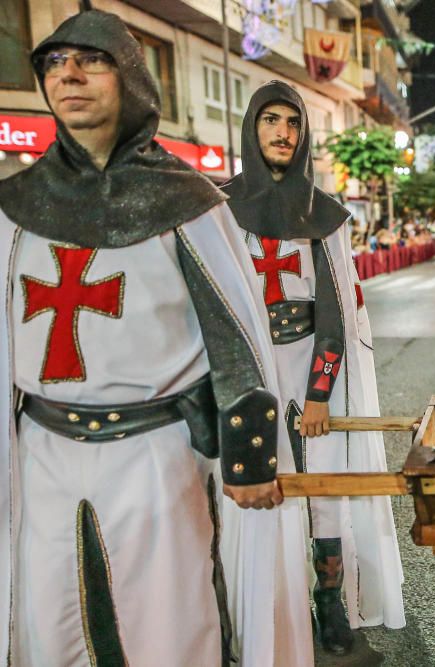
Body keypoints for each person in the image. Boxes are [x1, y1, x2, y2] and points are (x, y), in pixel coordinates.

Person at [0, 9, 305, 664]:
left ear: (132, 80)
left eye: (92, 61)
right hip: (41, 452)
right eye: (55, 63)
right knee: (48, 624)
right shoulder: (15, 205)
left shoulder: (186, 200)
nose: (69, 75)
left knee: (170, 625)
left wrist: (250, 456)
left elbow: (235, 333)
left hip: (155, 453)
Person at [221, 81, 405, 655]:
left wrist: (320, 393)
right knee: (252, 489)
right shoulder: (218, 210)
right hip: (245, 368)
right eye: (270, 120)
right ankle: (263, 601)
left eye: (293, 123)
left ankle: (328, 603)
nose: (282, 132)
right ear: (252, 129)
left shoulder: (325, 215)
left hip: (306, 366)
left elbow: (333, 312)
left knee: (323, 488)